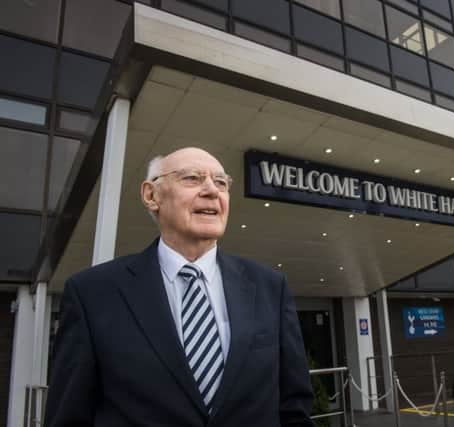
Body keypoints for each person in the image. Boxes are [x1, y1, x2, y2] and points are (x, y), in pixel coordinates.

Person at [45, 147, 313, 426]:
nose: (212, 190)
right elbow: (69, 416)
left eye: (221, 182)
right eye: (192, 178)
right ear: (152, 195)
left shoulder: (270, 287)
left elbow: (294, 410)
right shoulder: (92, 293)